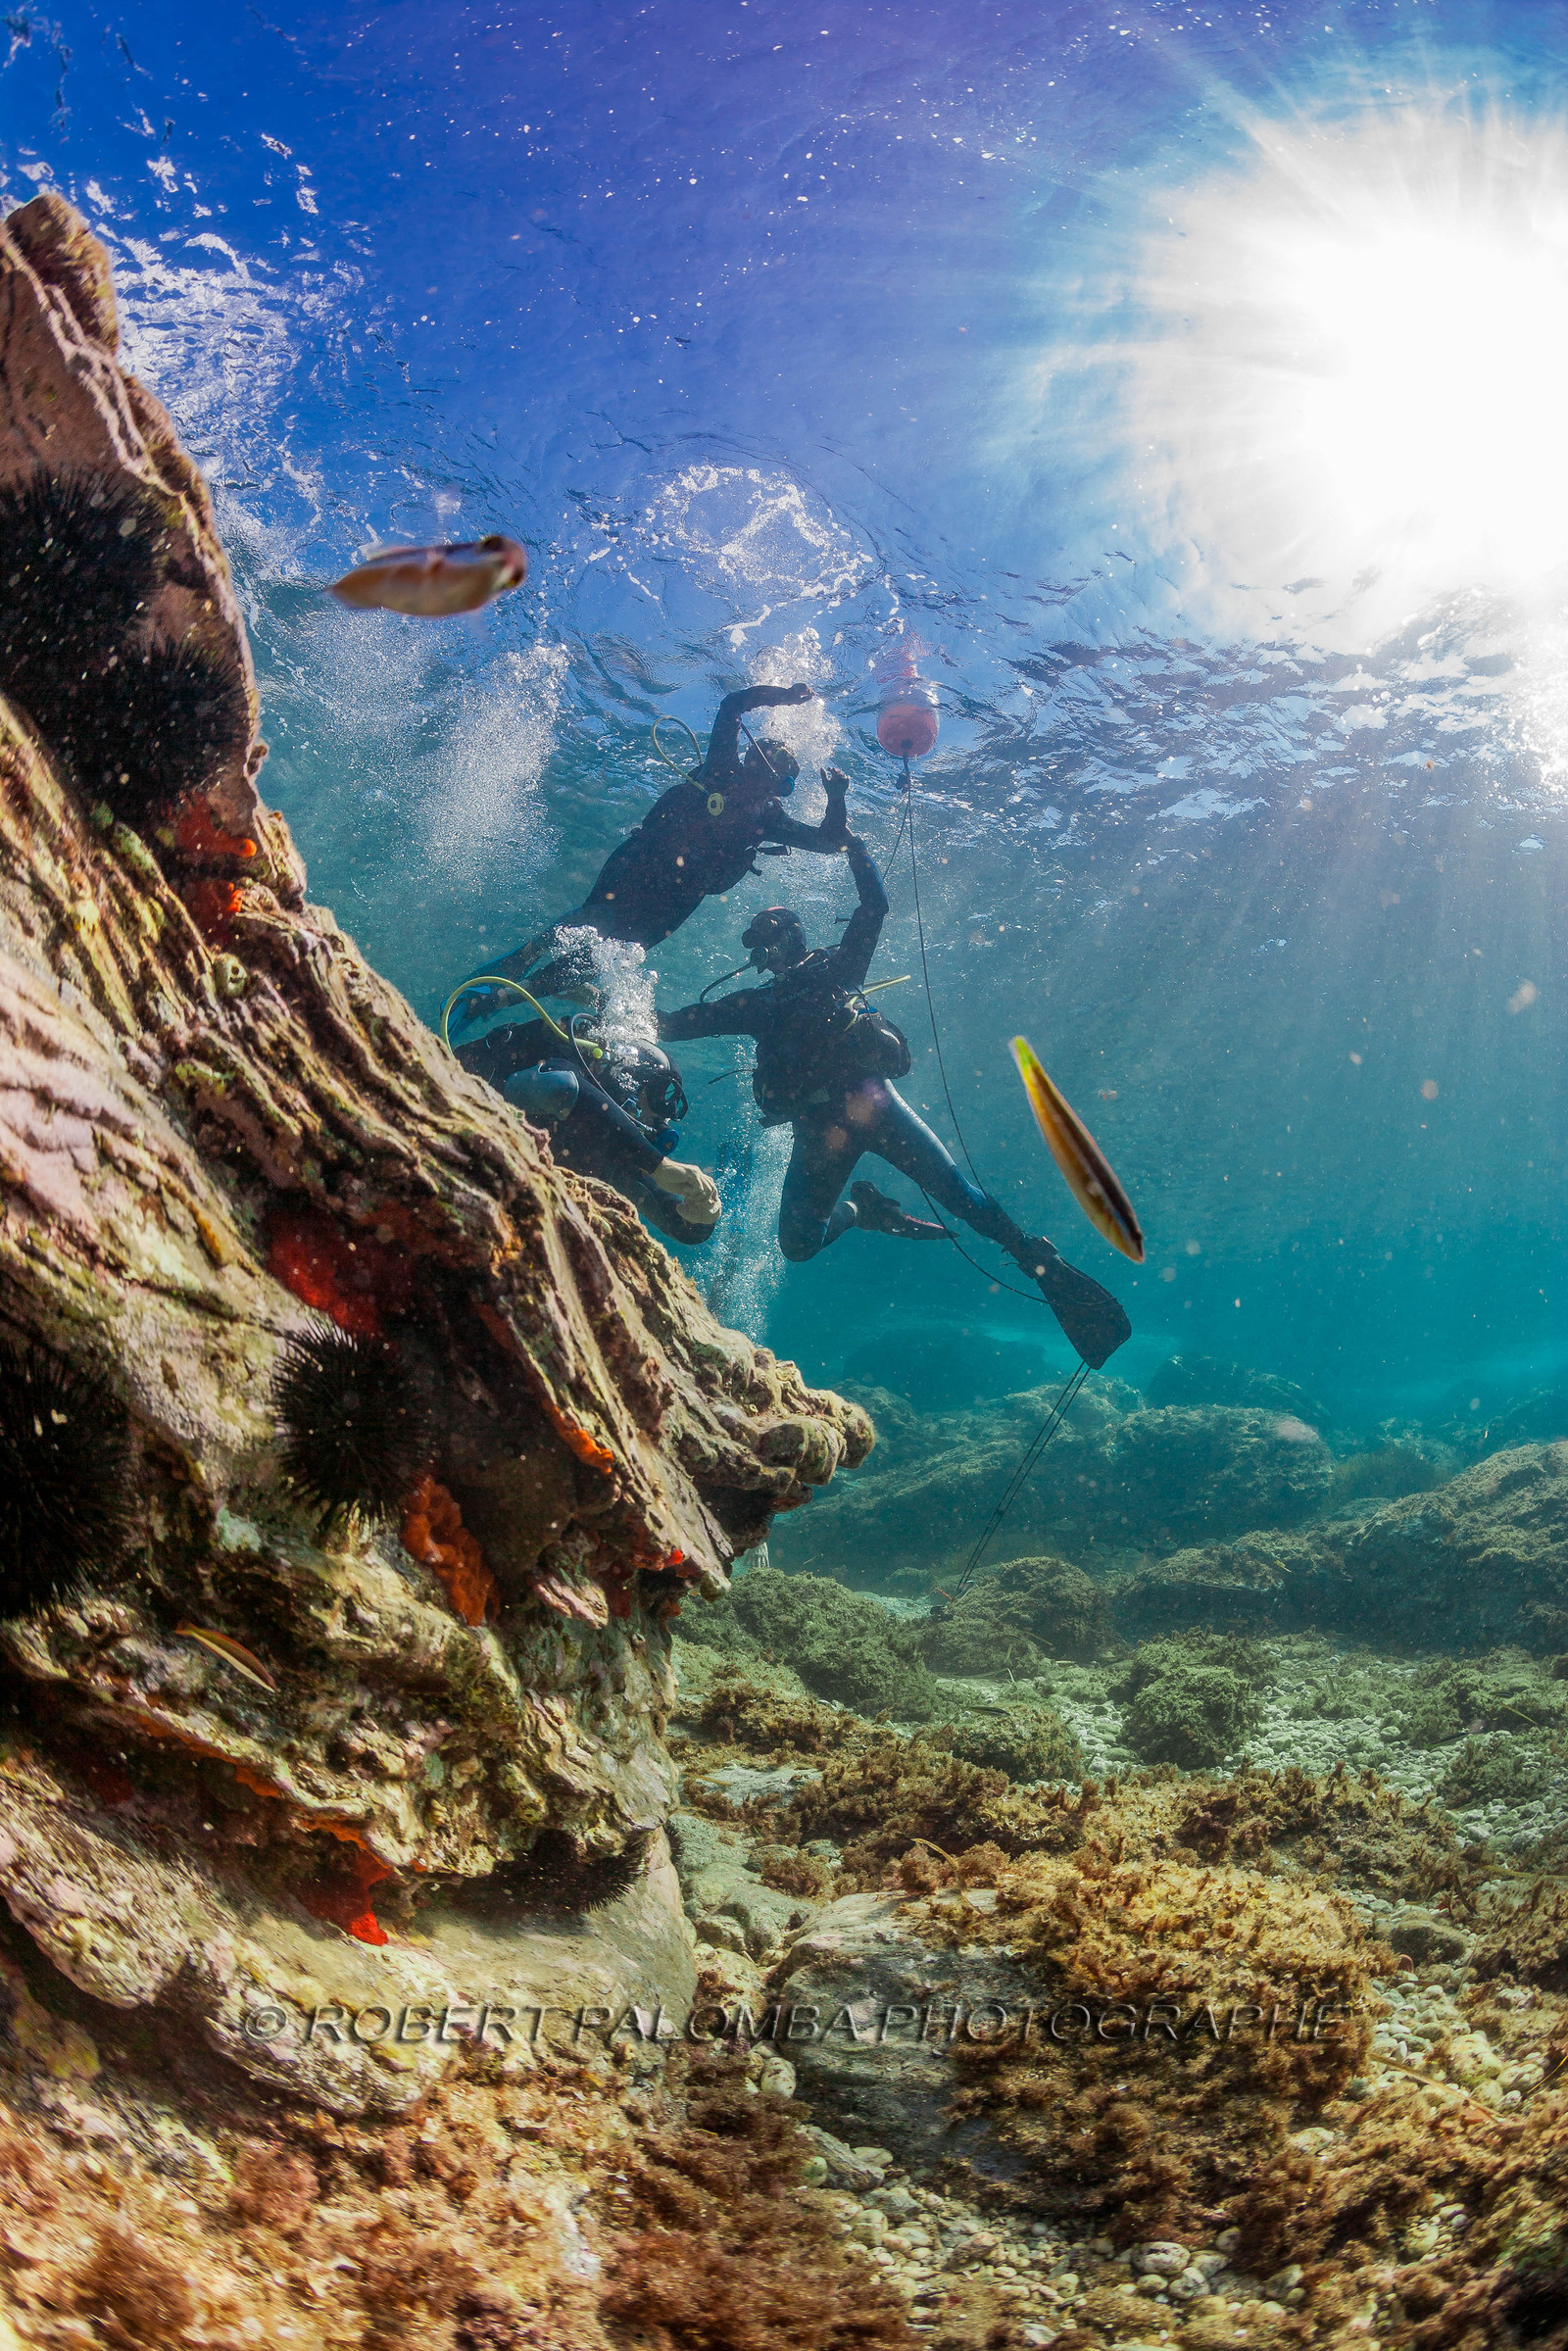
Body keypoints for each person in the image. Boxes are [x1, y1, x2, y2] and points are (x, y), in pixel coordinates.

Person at [656, 837, 1132, 1369]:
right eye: (755, 941)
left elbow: (874, 907)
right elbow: (675, 1027)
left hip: (877, 1105)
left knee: (961, 1197)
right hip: (818, 1131)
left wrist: (854, 846)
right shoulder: (756, 1005)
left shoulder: (838, 970)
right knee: (797, 1244)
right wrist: (614, 993)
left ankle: (1033, 1256)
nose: (761, 949)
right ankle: (865, 1211)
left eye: (770, 935)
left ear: (795, 935)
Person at [452, 682, 849, 1025]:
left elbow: (829, 843)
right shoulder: (721, 769)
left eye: (787, 776)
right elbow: (732, 705)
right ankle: (521, 960)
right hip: (645, 860)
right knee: (594, 921)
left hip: (681, 895)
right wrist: (785, 696)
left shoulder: (769, 818)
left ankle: (504, 998)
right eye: (780, 766)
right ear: (755, 759)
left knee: (607, 954)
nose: (780, 780)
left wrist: (836, 801)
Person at [457, 1013, 721, 1249]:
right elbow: (557, 1087)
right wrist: (656, 1163)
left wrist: (704, 1214)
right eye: (654, 1094)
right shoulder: (558, 1061)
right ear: (622, 1071)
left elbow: (682, 1227)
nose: (654, 1120)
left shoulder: (609, 1142)